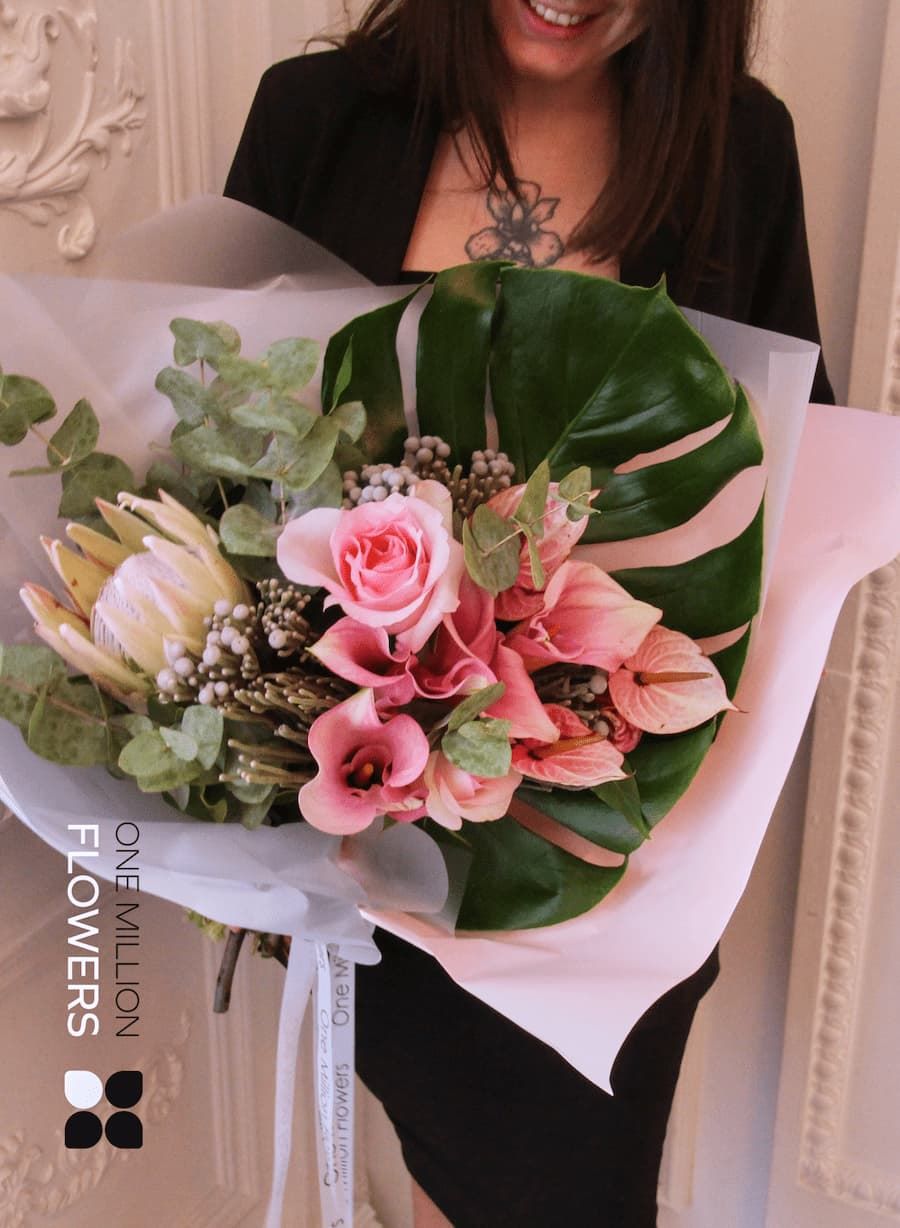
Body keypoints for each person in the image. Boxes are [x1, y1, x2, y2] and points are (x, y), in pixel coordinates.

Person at [225, 3, 833, 1224]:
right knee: (451, 1172)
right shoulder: (316, 121)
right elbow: (213, 459)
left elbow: (802, 480)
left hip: (615, 847)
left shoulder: (737, 146)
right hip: (370, 824)